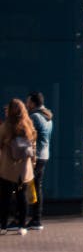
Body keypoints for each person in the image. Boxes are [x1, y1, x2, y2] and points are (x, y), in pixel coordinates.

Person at [0, 99, 37, 236]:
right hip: (24, 170)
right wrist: (32, 163)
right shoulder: (29, 126)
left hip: (7, 169)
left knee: (5, 198)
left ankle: (3, 226)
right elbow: (33, 147)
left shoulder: (5, 126)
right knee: (22, 198)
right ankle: (22, 226)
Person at [25, 91, 52, 231]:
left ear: (33, 103)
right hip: (44, 154)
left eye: (28, 102)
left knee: (29, 185)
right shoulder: (48, 117)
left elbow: (27, 135)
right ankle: (36, 218)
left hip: (35, 156)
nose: (26, 104)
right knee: (37, 186)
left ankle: (33, 219)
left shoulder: (34, 116)